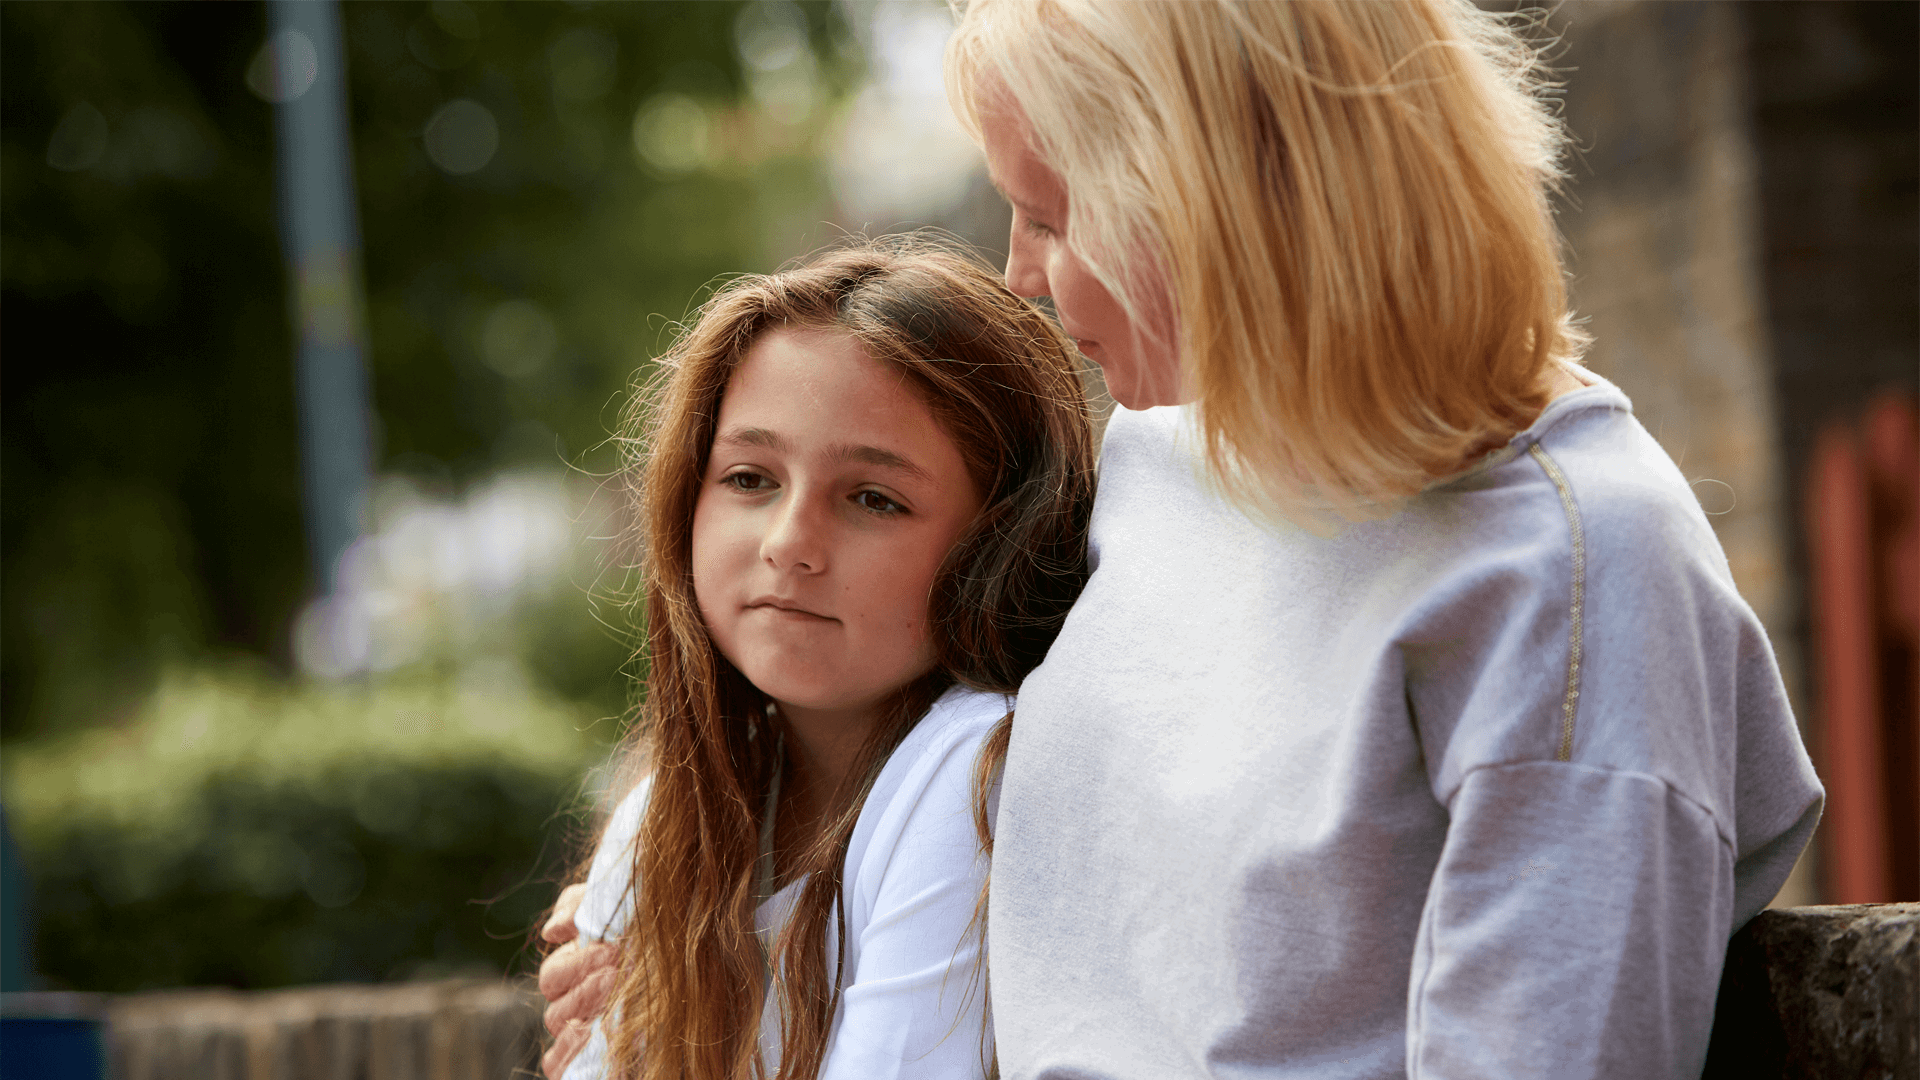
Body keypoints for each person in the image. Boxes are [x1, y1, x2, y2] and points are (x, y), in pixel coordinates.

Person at [942, 1, 1824, 1078]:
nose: (1020, 274)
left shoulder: (1568, 572)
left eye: (1051, 217)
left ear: (1217, 202)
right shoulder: (1166, 452)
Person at [541, 237, 1096, 1080]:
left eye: (874, 498)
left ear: (1001, 542)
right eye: (750, 478)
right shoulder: (665, 821)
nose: (790, 544)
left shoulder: (973, 768)